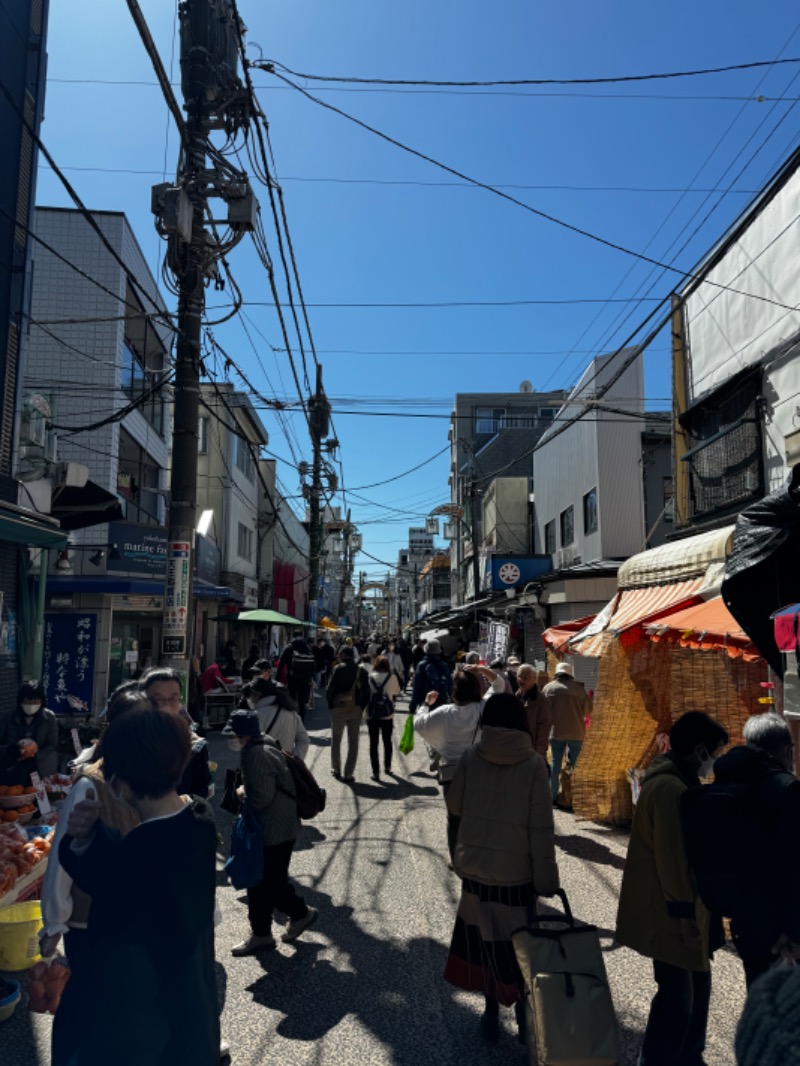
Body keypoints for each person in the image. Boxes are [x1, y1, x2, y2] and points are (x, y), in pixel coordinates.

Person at [58, 708, 219, 1066]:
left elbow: (119, 878)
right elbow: (129, 864)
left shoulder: (137, 859)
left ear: (120, 780)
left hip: (151, 1040)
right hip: (194, 1022)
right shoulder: (199, 821)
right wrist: (90, 838)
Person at [444, 692, 559, 1044]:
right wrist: (546, 880)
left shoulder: (470, 758)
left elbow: (454, 805)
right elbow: (541, 827)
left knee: (483, 942)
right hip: (516, 874)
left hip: (477, 869)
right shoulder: (535, 764)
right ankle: (524, 1015)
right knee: (519, 945)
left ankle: (491, 1012)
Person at [616, 711, 729, 1066]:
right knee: (677, 997)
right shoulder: (670, 788)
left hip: (679, 909)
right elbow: (672, 858)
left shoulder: (671, 780)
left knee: (695, 989)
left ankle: (688, 1056)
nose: (714, 763)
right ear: (699, 750)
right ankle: (659, 1058)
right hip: (669, 913)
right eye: (714, 754)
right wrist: (684, 917)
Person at [42, 688, 147, 1062]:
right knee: (88, 1005)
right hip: (90, 920)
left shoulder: (150, 778)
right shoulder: (91, 782)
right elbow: (62, 854)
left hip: (136, 917)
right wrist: (54, 919)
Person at [689, 712, 800, 988]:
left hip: (741, 917)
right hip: (780, 923)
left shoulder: (725, 781)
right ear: (786, 750)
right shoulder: (786, 790)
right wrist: (795, 933)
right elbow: (793, 867)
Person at [225, 711, 318, 955]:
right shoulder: (266, 744)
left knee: (267, 881)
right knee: (265, 881)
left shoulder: (255, 754)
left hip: (272, 828)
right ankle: (262, 932)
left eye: (233, 734)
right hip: (282, 825)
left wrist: (241, 792)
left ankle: (298, 915)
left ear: (242, 735)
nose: (231, 739)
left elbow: (262, 797)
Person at [414, 667, 506, 860]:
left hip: (451, 774)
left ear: (454, 690)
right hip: (479, 771)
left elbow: (419, 723)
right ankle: (477, 855)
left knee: (454, 819)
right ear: (476, 689)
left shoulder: (444, 712)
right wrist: (481, 669)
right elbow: (499, 684)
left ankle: (456, 859)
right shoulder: (483, 707)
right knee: (478, 817)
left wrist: (425, 703)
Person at [141, 668, 212, 799]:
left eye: (173, 699)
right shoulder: (128, 740)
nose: (166, 706)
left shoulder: (193, 744)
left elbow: (201, 790)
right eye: (159, 700)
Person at [542, 661, 591, 802]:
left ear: (557, 673)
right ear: (570, 674)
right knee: (577, 765)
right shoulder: (578, 690)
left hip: (555, 731)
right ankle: (577, 798)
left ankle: (552, 796)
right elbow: (588, 710)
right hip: (576, 731)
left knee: (555, 764)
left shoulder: (548, 689)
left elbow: (543, 710)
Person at [0, 679, 60, 783]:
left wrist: (36, 755)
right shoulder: (7, 718)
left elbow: (52, 744)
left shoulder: (49, 718)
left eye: (35, 702)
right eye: (27, 702)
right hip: (11, 767)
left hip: (38, 766)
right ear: (21, 701)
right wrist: (10, 750)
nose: (31, 706)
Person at [326, 646, 370, 782]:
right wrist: (361, 707)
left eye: (340, 654)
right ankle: (348, 773)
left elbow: (330, 689)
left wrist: (331, 706)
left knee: (336, 739)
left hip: (338, 708)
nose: (338, 656)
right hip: (355, 708)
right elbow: (367, 692)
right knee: (353, 741)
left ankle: (336, 769)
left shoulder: (338, 669)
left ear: (344, 655)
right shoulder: (361, 671)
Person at [242, 677, 309, 761]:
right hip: (287, 768)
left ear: (256, 694)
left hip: (263, 769)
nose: (249, 700)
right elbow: (303, 740)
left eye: (250, 696)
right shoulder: (291, 712)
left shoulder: (255, 716)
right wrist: (294, 759)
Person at [365, 655, 402, 782]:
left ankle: (375, 772)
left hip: (372, 714)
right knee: (387, 741)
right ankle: (387, 766)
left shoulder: (369, 677)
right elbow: (397, 692)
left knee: (373, 743)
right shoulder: (392, 677)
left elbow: (365, 694)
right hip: (387, 714)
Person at [514, 663, 552, 760]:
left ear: (534, 679)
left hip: (531, 750)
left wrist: (540, 753)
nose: (521, 680)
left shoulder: (541, 700)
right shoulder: (516, 697)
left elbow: (544, 727)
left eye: (525, 678)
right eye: (519, 677)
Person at [278, 631, 316, 721]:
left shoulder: (289, 647)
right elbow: (313, 663)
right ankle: (301, 720)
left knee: (292, 698)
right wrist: (311, 677)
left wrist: (278, 679)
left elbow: (281, 663)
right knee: (302, 700)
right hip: (305, 679)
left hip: (292, 677)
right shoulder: (307, 647)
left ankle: (292, 718)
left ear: (293, 636)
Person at [408, 639, 452, 714]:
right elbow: (450, 685)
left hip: (425, 702)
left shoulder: (421, 665)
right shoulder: (444, 665)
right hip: (442, 702)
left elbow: (417, 687)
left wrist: (412, 707)